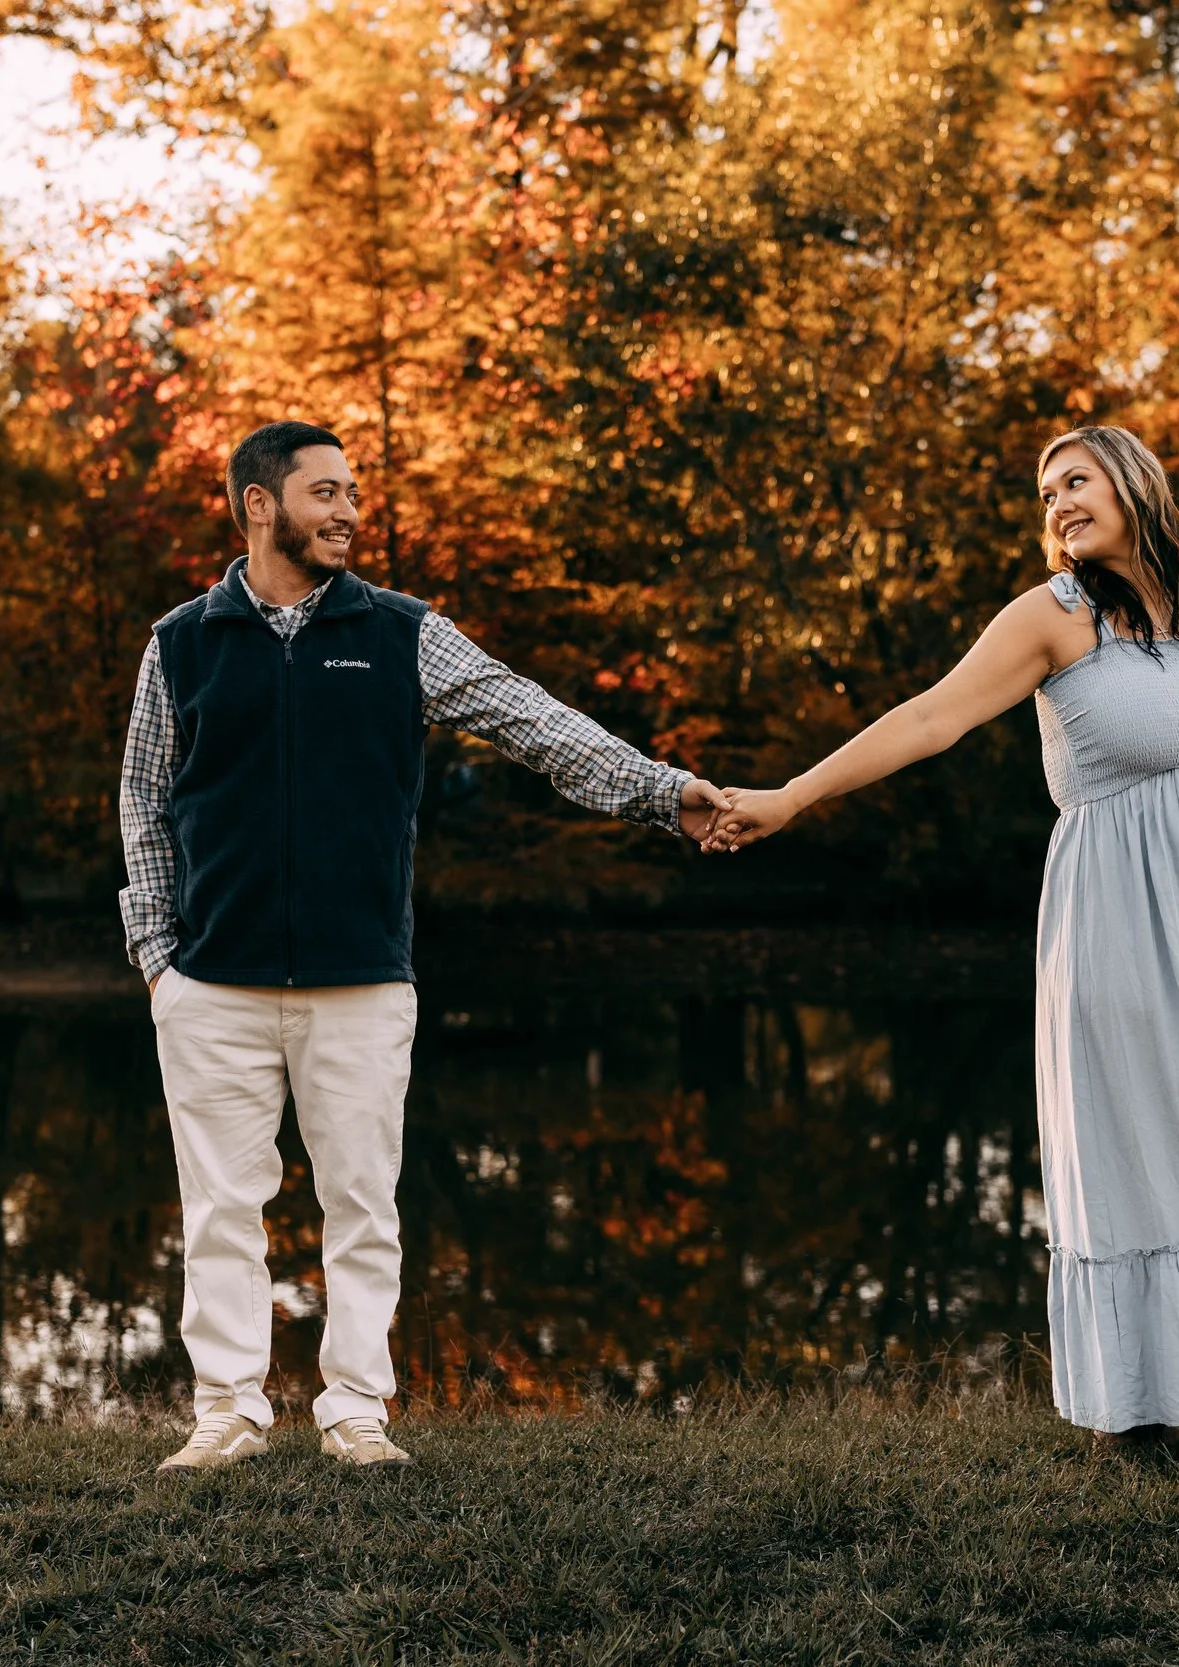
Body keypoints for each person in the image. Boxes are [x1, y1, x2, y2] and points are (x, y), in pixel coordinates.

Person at [705, 425, 1179, 1472]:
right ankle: (1146, 1410)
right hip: (1125, 920)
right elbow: (930, 717)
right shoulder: (1055, 616)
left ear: (1135, 484)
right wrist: (792, 795)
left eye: (1075, 480)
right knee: (1152, 1141)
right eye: (1047, 491)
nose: (1057, 503)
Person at [120, 420, 734, 1475]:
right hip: (211, 983)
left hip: (362, 981)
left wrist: (659, 791)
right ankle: (226, 1409)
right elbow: (142, 793)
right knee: (221, 1206)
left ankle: (355, 1405)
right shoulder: (179, 642)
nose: (349, 509)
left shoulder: (403, 632)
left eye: (353, 491)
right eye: (324, 491)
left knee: (361, 1203)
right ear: (258, 505)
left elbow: (533, 720)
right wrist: (157, 957)